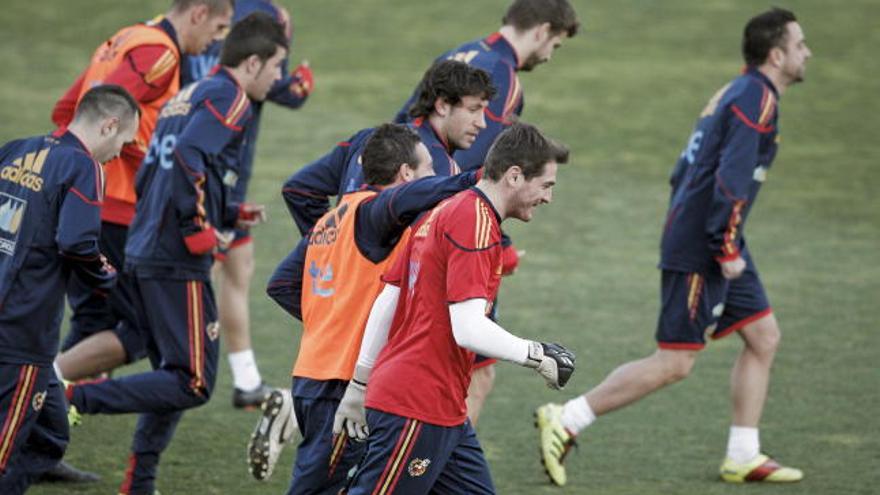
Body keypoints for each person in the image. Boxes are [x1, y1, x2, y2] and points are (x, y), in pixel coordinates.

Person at [535, 7, 812, 486]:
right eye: (801, 44)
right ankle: (567, 418)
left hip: (712, 232)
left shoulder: (739, 91)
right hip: (707, 242)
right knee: (675, 362)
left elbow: (684, 170)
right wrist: (723, 248)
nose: (808, 53)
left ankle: (742, 454)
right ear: (777, 54)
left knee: (763, 337)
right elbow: (730, 180)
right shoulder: (757, 100)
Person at [63, 13, 286, 494]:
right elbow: (188, 158)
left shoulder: (191, 93)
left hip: (146, 242)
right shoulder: (231, 98)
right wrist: (199, 229)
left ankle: (139, 482)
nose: (279, 78)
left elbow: (153, 172)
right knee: (192, 381)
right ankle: (68, 396)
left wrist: (228, 211)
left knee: (172, 369)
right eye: (276, 66)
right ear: (252, 63)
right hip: (173, 256)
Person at [336, 123, 575, 494]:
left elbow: (390, 299)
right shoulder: (475, 223)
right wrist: (537, 355)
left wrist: (360, 382)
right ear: (514, 176)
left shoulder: (442, 210)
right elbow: (468, 327)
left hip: (442, 409)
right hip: (416, 404)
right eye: (546, 185)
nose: (548, 198)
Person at [252, 124, 484, 491]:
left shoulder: (331, 219)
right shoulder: (377, 212)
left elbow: (281, 285)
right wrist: (485, 177)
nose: (433, 176)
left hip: (317, 373)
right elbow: (422, 193)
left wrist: (332, 317)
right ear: (406, 175)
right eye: (426, 168)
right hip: (340, 383)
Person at [394, 0, 580, 422]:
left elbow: (397, 132)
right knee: (472, 372)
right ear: (541, 31)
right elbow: (482, 176)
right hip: (442, 228)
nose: (550, 55)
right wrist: (496, 243)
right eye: (556, 44)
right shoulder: (503, 79)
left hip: (405, 214)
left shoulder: (461, 53)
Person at [52, 0, 234, 390]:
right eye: (218, 29)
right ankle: (37, 386)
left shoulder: (122, 38)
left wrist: (64, 167)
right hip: (116, 211)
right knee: (141, 329)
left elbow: (67, 108)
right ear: (199, 13)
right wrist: (153, 165)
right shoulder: (161, 54)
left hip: (89, 201)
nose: (215, 42)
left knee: (92, 321)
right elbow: (104, 119)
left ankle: (38, 429)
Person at [0, 85, 139, 494]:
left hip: (18, 321)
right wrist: (108, 279)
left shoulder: (17, 149)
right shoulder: (83, 167)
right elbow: (77, 243)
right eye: (123, 143)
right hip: (22, 327)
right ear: (109, 125)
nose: (118, 155)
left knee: (51, 433)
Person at [181, 0, 315, 409]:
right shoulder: (269, 16)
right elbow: (285, 90)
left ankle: (245, 379)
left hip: (187, 144)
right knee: (206, 274)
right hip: (222, 165)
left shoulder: (200, 11)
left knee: (234, 262)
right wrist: (303, 80)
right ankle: (76, 371)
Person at [282, 59, 494, 237]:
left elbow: (299, 189)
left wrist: (328, 246)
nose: (482, 123)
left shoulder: (366, 138)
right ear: (442, 105)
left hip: (337, 283)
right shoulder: (443, 169)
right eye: (474, 110)